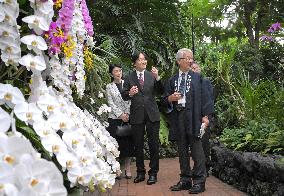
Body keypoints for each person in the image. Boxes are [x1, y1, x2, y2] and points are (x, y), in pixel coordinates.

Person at [163, 48, 214, 194]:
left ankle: (199, 181)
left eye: (191, 58)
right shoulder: (172, 80)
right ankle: (185, 180)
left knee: (197, 150)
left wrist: (206, 117)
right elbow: (164, 99)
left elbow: (207, 99)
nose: (191, 61)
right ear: (179, 61)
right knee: (182, 150)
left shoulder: (199, 78)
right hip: (179, 117)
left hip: (195, 117)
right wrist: (170, 98)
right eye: (187, 58)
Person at [121, 51, 163, 185]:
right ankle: (140, 172)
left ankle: (153, 173)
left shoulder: (152, 75)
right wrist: (130, 93)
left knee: (153, 144)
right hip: (137, 115)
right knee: (138, 145)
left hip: (152, 114)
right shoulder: (128, 77)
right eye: (140, 59)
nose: (144, 61)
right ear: (134, 63)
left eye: (145, 59)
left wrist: (157, 78)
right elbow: (124, 95)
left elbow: (161, 92)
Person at [106, 64, 134, 179]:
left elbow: (131, 99)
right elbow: (110, 103)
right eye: (116, 71)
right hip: (114, 119)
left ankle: (128, 169)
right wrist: (120, 115)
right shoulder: (109, 86)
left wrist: (126, 114)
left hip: (127, 118)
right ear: (111, 73)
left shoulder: (126, 84)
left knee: (128, 145)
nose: (118, 73)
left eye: (120, 70)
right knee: (115, 144)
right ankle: (117, 169)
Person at [191, 62, 214, 176]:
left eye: (196, 68)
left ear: (200, 69)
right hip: (194, 117)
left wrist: (206, 116)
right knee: (196, 143)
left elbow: (209, 100)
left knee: (204, 142)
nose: (194, 70)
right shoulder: (190, 83)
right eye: (192, 68)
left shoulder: (205, 81)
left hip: (204, 117)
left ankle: (205, 167)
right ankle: (198, 167)